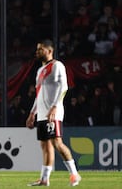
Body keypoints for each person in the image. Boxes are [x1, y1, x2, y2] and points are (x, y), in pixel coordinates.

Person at [25, 39, 81, 186]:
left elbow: (64, 87)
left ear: (49, 51)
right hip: (42, 113)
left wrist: (55, 107)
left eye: (41, 49)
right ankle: (44, 179)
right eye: (37, 49)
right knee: (45, 145)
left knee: (57, 143)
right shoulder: (39, 70)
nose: (37, 52)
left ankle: (74, 174)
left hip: (53, 112)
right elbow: (39, 94)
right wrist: (32, 113)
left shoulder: (57, 66)